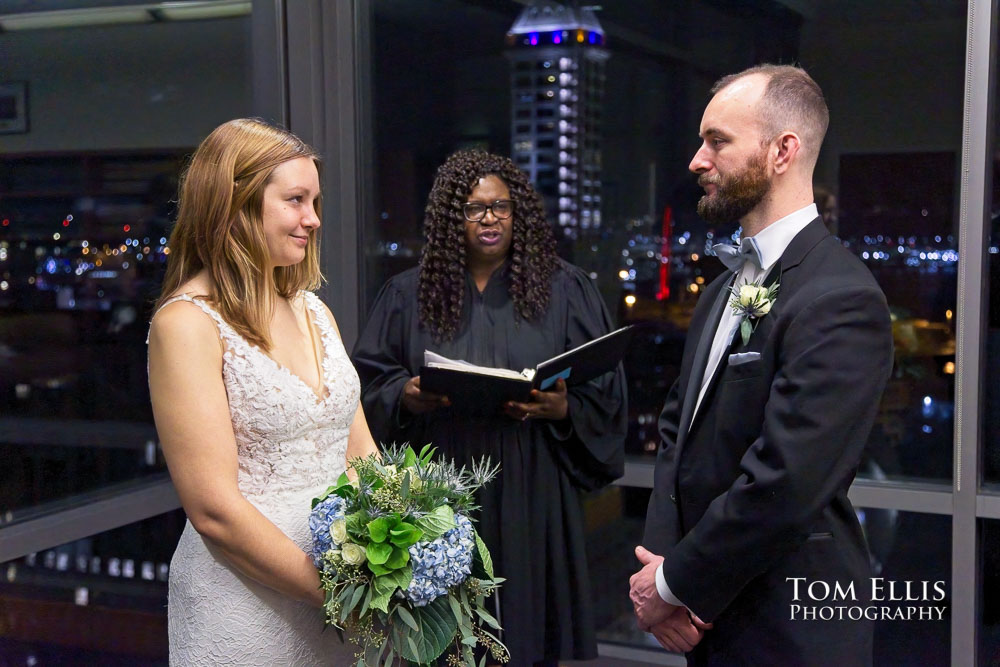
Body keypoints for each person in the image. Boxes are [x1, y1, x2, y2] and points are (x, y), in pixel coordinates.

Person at [630, 65, 893, 665]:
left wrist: (673, 585)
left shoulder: (841, 297)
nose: (697, 160)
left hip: (788, 627)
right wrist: (661, 571)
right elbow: (679, 436)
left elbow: (787, 482)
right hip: (707, 618)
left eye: (718, 141)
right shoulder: (725, 286)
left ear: (782, 151)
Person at [352, 149, 627, 665]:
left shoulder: (564, 289)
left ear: (517, 211)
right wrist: (405, 396)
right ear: (450, 218)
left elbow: (605, 387)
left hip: (531, 479)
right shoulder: (407, 295)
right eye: (473, 208)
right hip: (439, 485)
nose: (489, 219)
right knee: (442, 640)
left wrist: (561, 408)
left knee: (524, 637)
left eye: (500, 206)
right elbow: (368, 383)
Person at [147, 118, 377, 664]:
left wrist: (405, 542)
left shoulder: (315, 310)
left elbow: (362, 452)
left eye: (315, 201)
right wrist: (334, 593)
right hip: (245, 603)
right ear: (235, 204)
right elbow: (214, 511)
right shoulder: (187, 324)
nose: (313, 219)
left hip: (345, 595)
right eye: (296, 200)